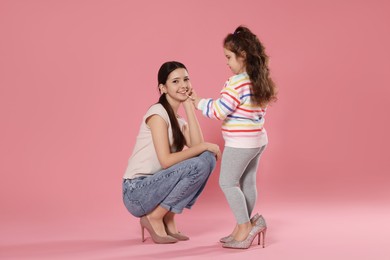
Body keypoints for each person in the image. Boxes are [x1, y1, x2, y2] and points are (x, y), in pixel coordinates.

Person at [189, 26, 277, 249]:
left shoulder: (236, 82)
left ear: (243, 56)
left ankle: (245, 227)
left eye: (229, 57)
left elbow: (219, 110)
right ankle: (242, 227)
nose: (226, 62)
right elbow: (258, 111)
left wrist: (198, 102)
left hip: (241, 144)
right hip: (258, 140)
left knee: (227, 182)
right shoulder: (259, 81)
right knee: (247, 181)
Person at [122, 61, 221, 244]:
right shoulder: (157, 114)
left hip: (157, 185)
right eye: (175, 81)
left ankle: (168, 216)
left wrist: (190, 106)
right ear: (163, 88)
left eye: (186, 79)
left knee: (207, 159)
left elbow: (198, 147)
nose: (183, 85)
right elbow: (166, 161)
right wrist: (205, 146)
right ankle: (154, 217)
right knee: (202, 157)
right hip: (136, 191)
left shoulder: (179, 120)